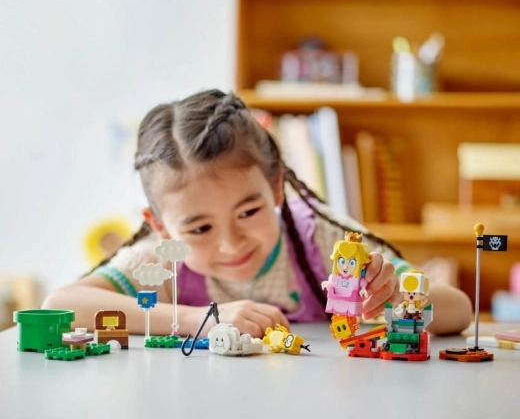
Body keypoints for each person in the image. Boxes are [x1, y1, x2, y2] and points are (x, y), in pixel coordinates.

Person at [42, 89, 472, 337]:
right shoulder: (162, 261)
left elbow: (458, 312)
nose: (231, 243)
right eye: (200, 228)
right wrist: (198, 319)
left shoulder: (325, 240)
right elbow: (60, 305)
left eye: (248, 212)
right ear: (161, 227)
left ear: (275, 186)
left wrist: (394, 294)